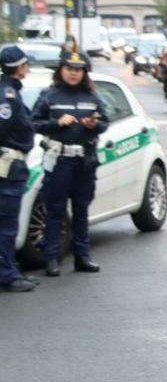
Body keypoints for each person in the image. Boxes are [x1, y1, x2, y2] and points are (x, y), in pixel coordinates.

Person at [30, 51, 108, 276]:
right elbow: (34, 123)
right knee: (55, 211)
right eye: (69, 69)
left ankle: (82, 256)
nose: (73, 74)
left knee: (82, 210)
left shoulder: (92, 96)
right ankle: (51, 258)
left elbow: (105, 122)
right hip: (59, 161)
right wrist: (56, 123)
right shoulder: (49, 96)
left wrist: (94, 124)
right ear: (61, 70)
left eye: (78, 70)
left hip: (84, 161)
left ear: (83, 72)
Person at [0, 46, 37, 293]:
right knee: (7, 223)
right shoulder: (8, 96)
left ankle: (10, 269)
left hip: (12, 165)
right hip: (8, 166)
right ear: (20, 67)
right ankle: (8, 275)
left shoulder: (11, 92)